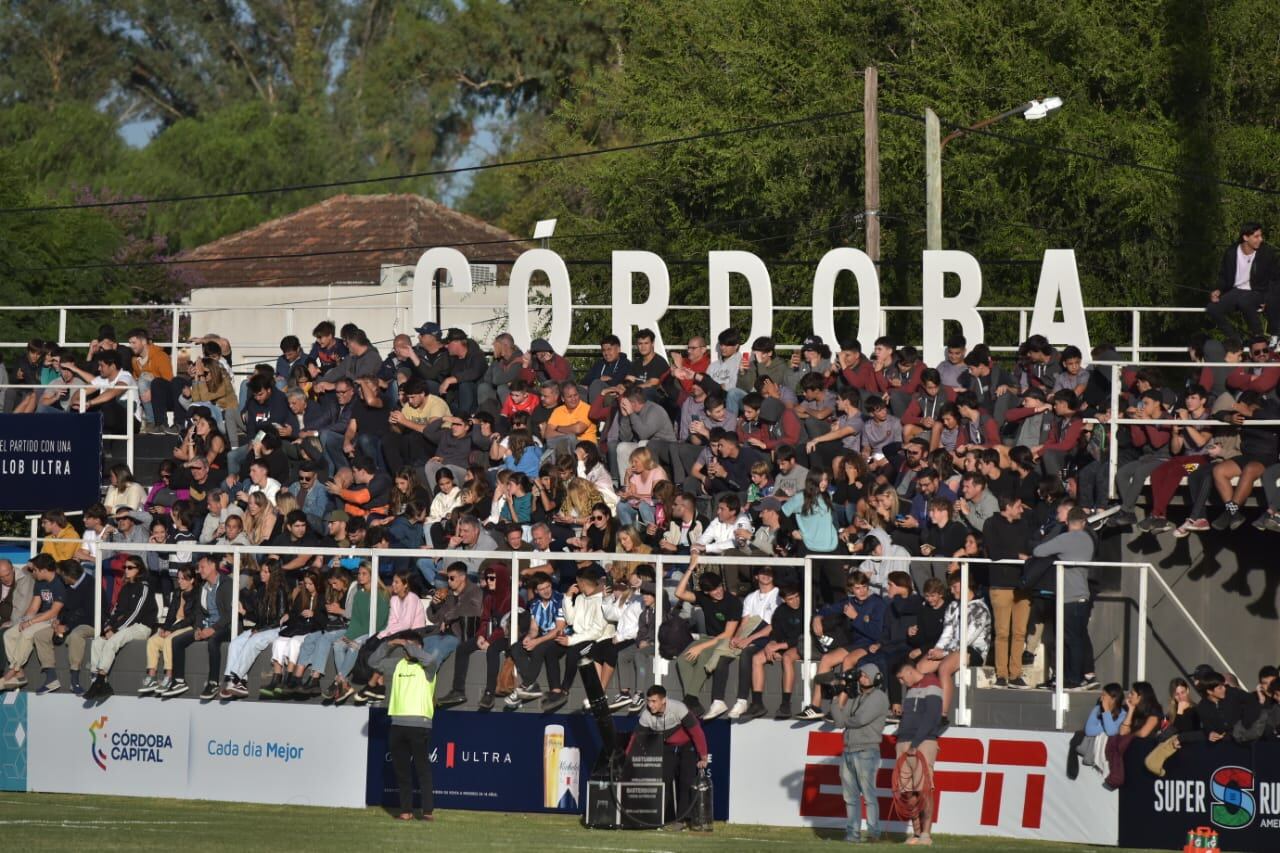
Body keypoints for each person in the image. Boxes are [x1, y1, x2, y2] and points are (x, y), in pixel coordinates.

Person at [625, 685, 709, 827]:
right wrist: (627, 757)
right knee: (664, 782)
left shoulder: (679, 708)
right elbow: (636, 738)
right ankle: (667, 819)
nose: (650, 705)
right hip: (666, 746)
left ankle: (682, 820)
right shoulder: (646, 715)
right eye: (648, 701)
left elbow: (696, 731)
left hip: (686, 745)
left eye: (654, 701)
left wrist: (703, 756)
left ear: (664, 700)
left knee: (686, 782)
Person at [83, 556, 159, 701]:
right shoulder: (125, 588)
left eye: (130, 567)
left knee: (112, 641)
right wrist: (107, 628)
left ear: (139, 570)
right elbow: (117, 611)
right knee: (98, 642)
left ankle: (99, 682)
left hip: (142, 626)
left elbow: (136, 614)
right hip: (125, 627)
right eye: (125, 567)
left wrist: (115, 631)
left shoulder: (144, 587)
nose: (126, 570)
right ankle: (100, 682)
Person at [382, 633, 439, 821]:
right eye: (405, 648)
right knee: (402, 771)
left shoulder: (428, 667)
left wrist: (408, 645)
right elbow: (374, 661)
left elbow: (429, 658)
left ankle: (428, 812)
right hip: (397, 723)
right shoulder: (398, 665)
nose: (406, 650)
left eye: (410, 647)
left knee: (422, 769)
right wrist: (390, 644)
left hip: (420, 724)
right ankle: (405, 811)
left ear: (419, 648)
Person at [832, 663, 890, 844]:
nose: (862, 678)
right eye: (861, 675)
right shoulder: (856, 697)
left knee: (868, 795)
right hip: (849, 750)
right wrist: (836, 696)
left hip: (866, 751)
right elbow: (839, 721)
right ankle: (852, 835)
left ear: (876, 678)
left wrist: (846, 718)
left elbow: (860, 720)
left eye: (866, 675)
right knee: (850, 797)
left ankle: (873, 834)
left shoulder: (879, 697)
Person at [163, 554, 234, 699]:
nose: (199, 570)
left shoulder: (227, 584)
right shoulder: (203, 587)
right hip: (207, 625)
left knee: (213, 641)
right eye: (198, 567)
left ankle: (213, 682)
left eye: (202, 567)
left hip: (226, 626)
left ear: (213, 566)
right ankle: (178, 681)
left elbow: (229, 614)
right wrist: (198, 628)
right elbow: (199, 613)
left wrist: (213, 629)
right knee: (176, 641)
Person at [894, 659, 946, 846]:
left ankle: (926, 834)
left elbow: (932, 718)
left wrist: (915, 743)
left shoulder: (932, 683)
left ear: (908, 672)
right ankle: (916, 834)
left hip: (923, 743)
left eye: (901, 678)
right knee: (907, 791)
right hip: (903, 742)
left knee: (924, 790)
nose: (901, 682)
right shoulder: (911, 689)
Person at [1, 555, 65, 691]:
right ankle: (20, 674)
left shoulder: (59, 583)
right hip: (41, 617)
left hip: (54, 620)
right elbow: (34, 608)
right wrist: (23, 621)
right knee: (9, 635)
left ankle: (13, 670)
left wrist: (30, 623)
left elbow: (54, 612)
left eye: (35, 570)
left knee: (26, 634)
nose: (33, 573)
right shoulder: (40, 583)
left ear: (43, 570)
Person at [1205, 221, 1279, 338]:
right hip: (1235, 291)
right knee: (1213, 308)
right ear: (1245, 237)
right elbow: (1223, 276)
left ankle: (1259, 337)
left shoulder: (1267, 253)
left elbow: (1275, 280)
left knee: (1245, 301)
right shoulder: (1231, 252)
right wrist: (1218, 290)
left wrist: (1268, 299)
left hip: (1258, 291)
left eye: (1261, 236)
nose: (1261, 239)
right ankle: (1235, 339)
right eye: (1256, 236)